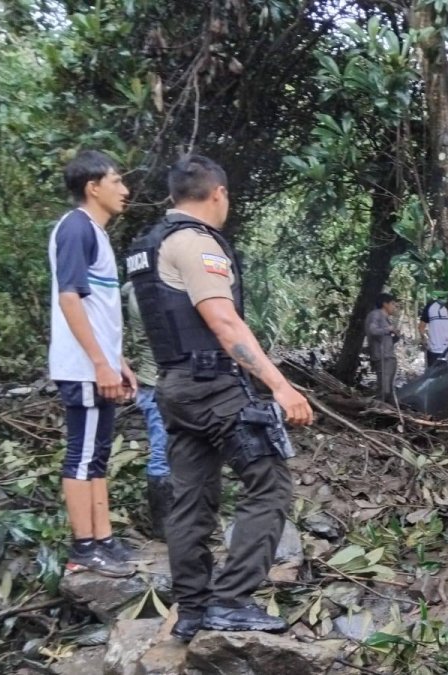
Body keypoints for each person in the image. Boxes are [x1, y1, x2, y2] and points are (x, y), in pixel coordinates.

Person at [126, 155, 313, 641]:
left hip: (174, 388)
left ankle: (192, 609)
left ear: (173, 195)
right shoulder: (194, 244)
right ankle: (230, 601)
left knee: (190, 500)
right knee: (270, 486)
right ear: (219, 194)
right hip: (213, 387)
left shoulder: (147, 248)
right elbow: (223, 321)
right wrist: (280, 384)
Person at [49, 150, 139, 578]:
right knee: (82, 457)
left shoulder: (97, 234)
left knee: (98, 456)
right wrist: (100, 364)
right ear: (93, 187)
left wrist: (118, 361)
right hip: (83, 367)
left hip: (98, 363)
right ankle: (83, 548)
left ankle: (103, 539)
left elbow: (98, 310)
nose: (125, 190)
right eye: (117, 181)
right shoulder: (75, 229)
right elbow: (70, 299)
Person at [122, 281, 172, 541]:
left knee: (168, 449)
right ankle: (165, 527)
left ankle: (174, 524)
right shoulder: (147, 292)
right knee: (163, 452)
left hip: (156, 381)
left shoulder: (137, 289)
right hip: (158, 382)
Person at [366, 293, 400, 401]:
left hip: (388, 356)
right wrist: (388, 329)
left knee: (388, 389)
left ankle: (386, 411)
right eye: (393, 304)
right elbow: (373, 331)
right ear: (385, 304)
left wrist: (395, 335)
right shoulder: (376, 315)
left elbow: (386, 338)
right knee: (384, 390)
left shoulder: (386, 319)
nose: (394, 307)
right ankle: (379, 411)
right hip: (382, 357)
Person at [418, 298, 448, 366]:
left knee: (433, 374)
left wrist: (425, 340)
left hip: (436, 349)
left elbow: (421, 327)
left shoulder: (431, 305)